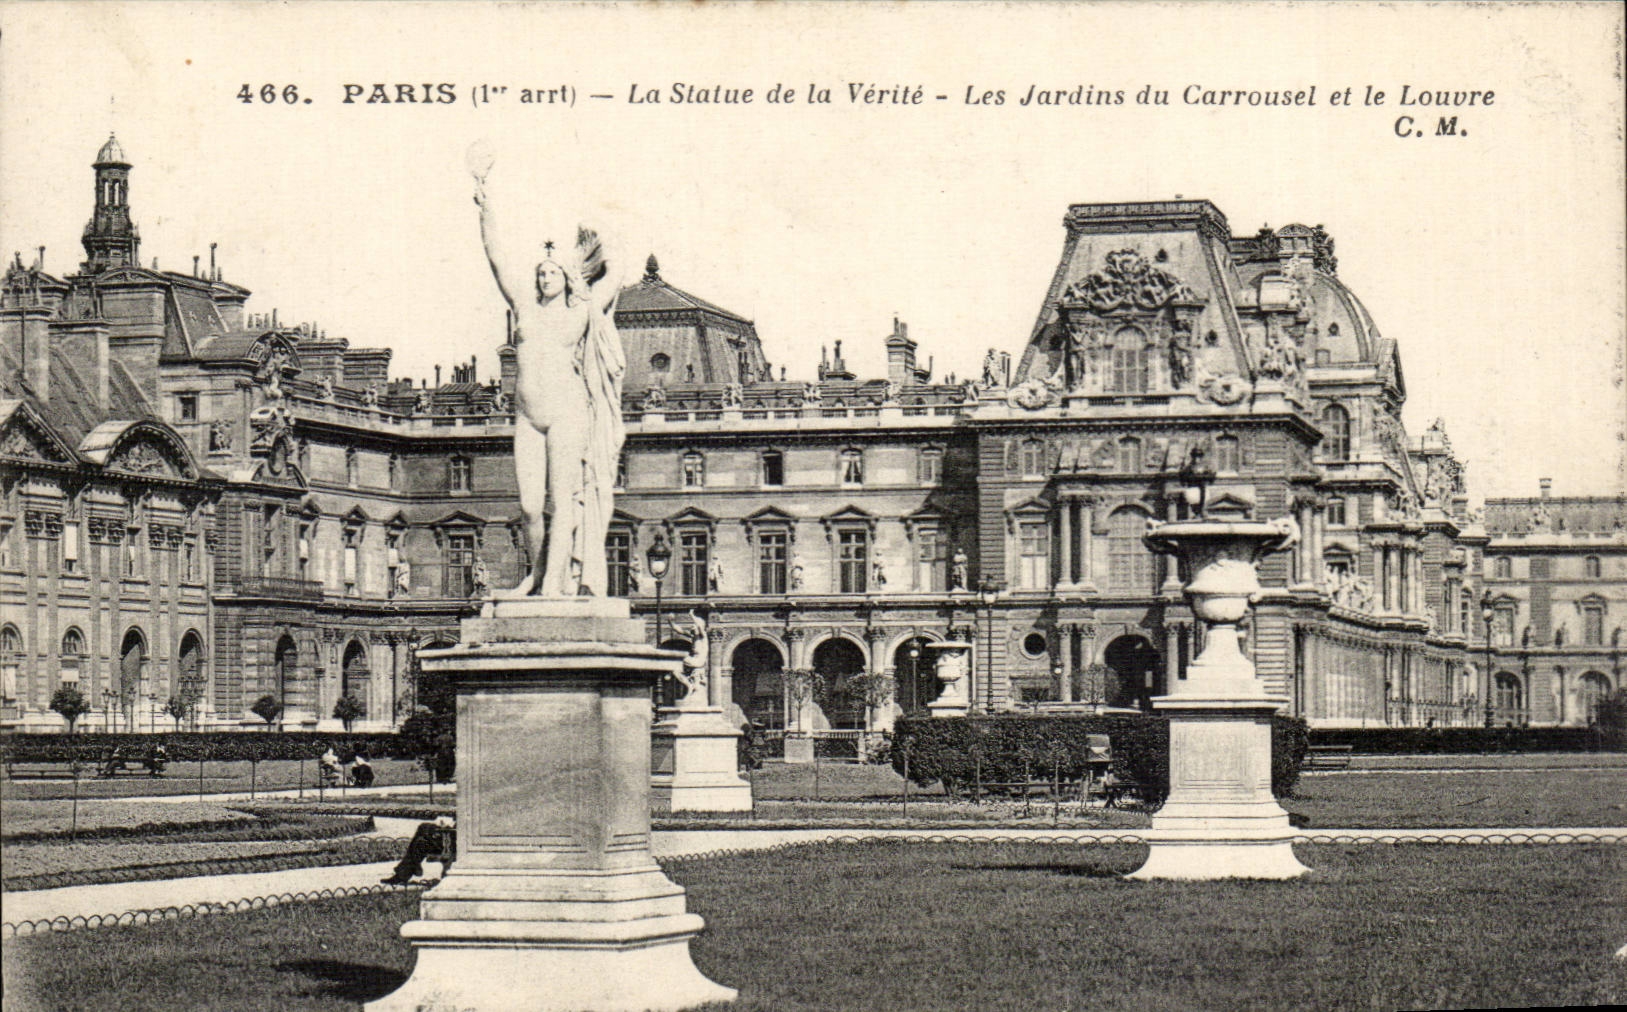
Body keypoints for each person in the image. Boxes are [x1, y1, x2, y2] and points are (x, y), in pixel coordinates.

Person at [471, 144, 626, 598]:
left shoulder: (580, 313)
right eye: (540, 273)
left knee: (562, 501)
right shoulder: (524, 307)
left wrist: (610, 228)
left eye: (552, 274)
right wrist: (485, 208)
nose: (543, 279)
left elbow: (614, 278)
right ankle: (537, 577)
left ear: (567, 278)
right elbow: (496, 257)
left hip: (566, 413)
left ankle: (553, 586)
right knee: (528, 506)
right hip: (527, 414)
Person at [382, 815, 455, 885]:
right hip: (451, 835)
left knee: (422, 834)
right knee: (421, 835)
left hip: (453, 842)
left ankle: (406, 872)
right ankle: (409, 869)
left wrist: (448, 825)